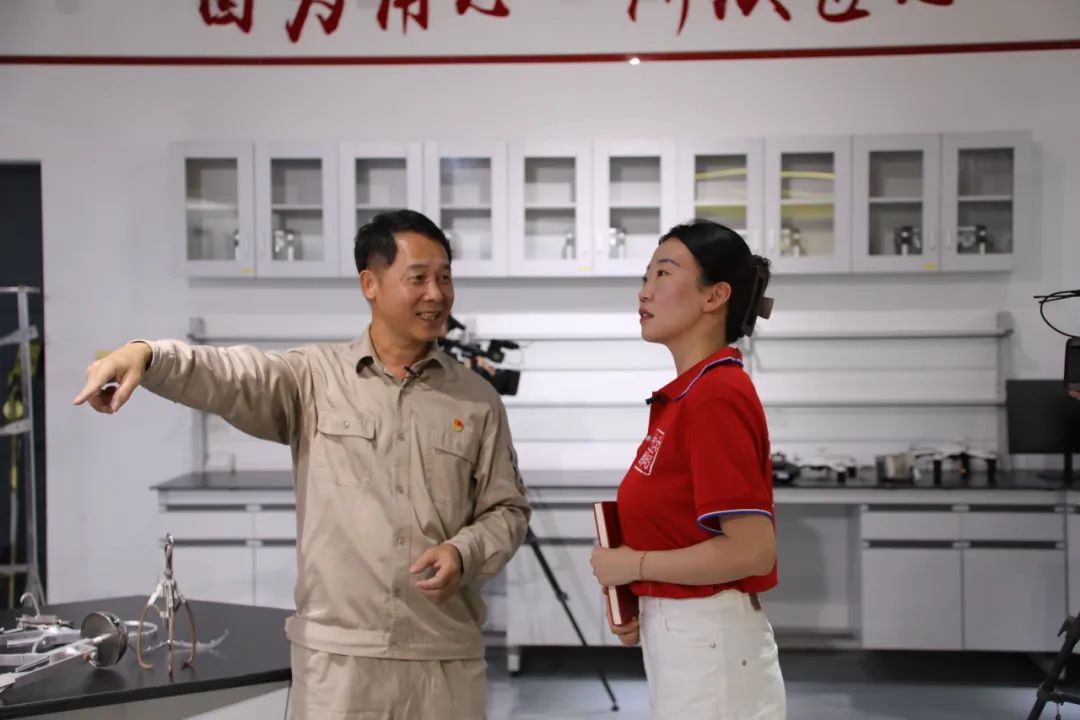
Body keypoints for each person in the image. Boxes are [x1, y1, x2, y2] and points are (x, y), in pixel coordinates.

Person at [74, 209, 531, 719]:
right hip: (339, 665)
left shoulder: (476, 399)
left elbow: (508, 510)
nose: (437, 294)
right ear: (370, 284)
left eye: (445, 277)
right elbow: (234, 374)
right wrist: (150, 355)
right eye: (418, 278)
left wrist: (464, 553)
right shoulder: (314, 379)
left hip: (443, 662)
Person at [590, 220, 785, 719]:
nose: (644, 291)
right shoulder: (689, 395)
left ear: (715, 295)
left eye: (663, 273)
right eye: (645, 277)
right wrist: (641, 595)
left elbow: (751, 550)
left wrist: (633, 566)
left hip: (710, 646)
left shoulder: (715, 395)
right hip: (690, 642)